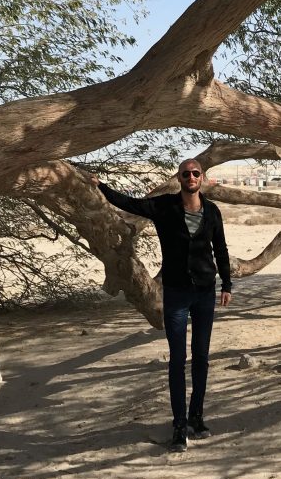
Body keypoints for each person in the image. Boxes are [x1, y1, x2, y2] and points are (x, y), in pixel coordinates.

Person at [97, 158, 232, 453]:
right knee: (177, 359)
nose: (192, 177)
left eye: (196, 173)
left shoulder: (212, 211)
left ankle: (197, 417)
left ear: (202, 178)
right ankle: (179, 424)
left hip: (205, 292)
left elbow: (220, 248)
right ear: (180, 178)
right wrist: (101, 186)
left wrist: (228, 284)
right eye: (187, 173)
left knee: (201, 357)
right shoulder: (164, 207)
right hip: (176, 292)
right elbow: (130, 204)